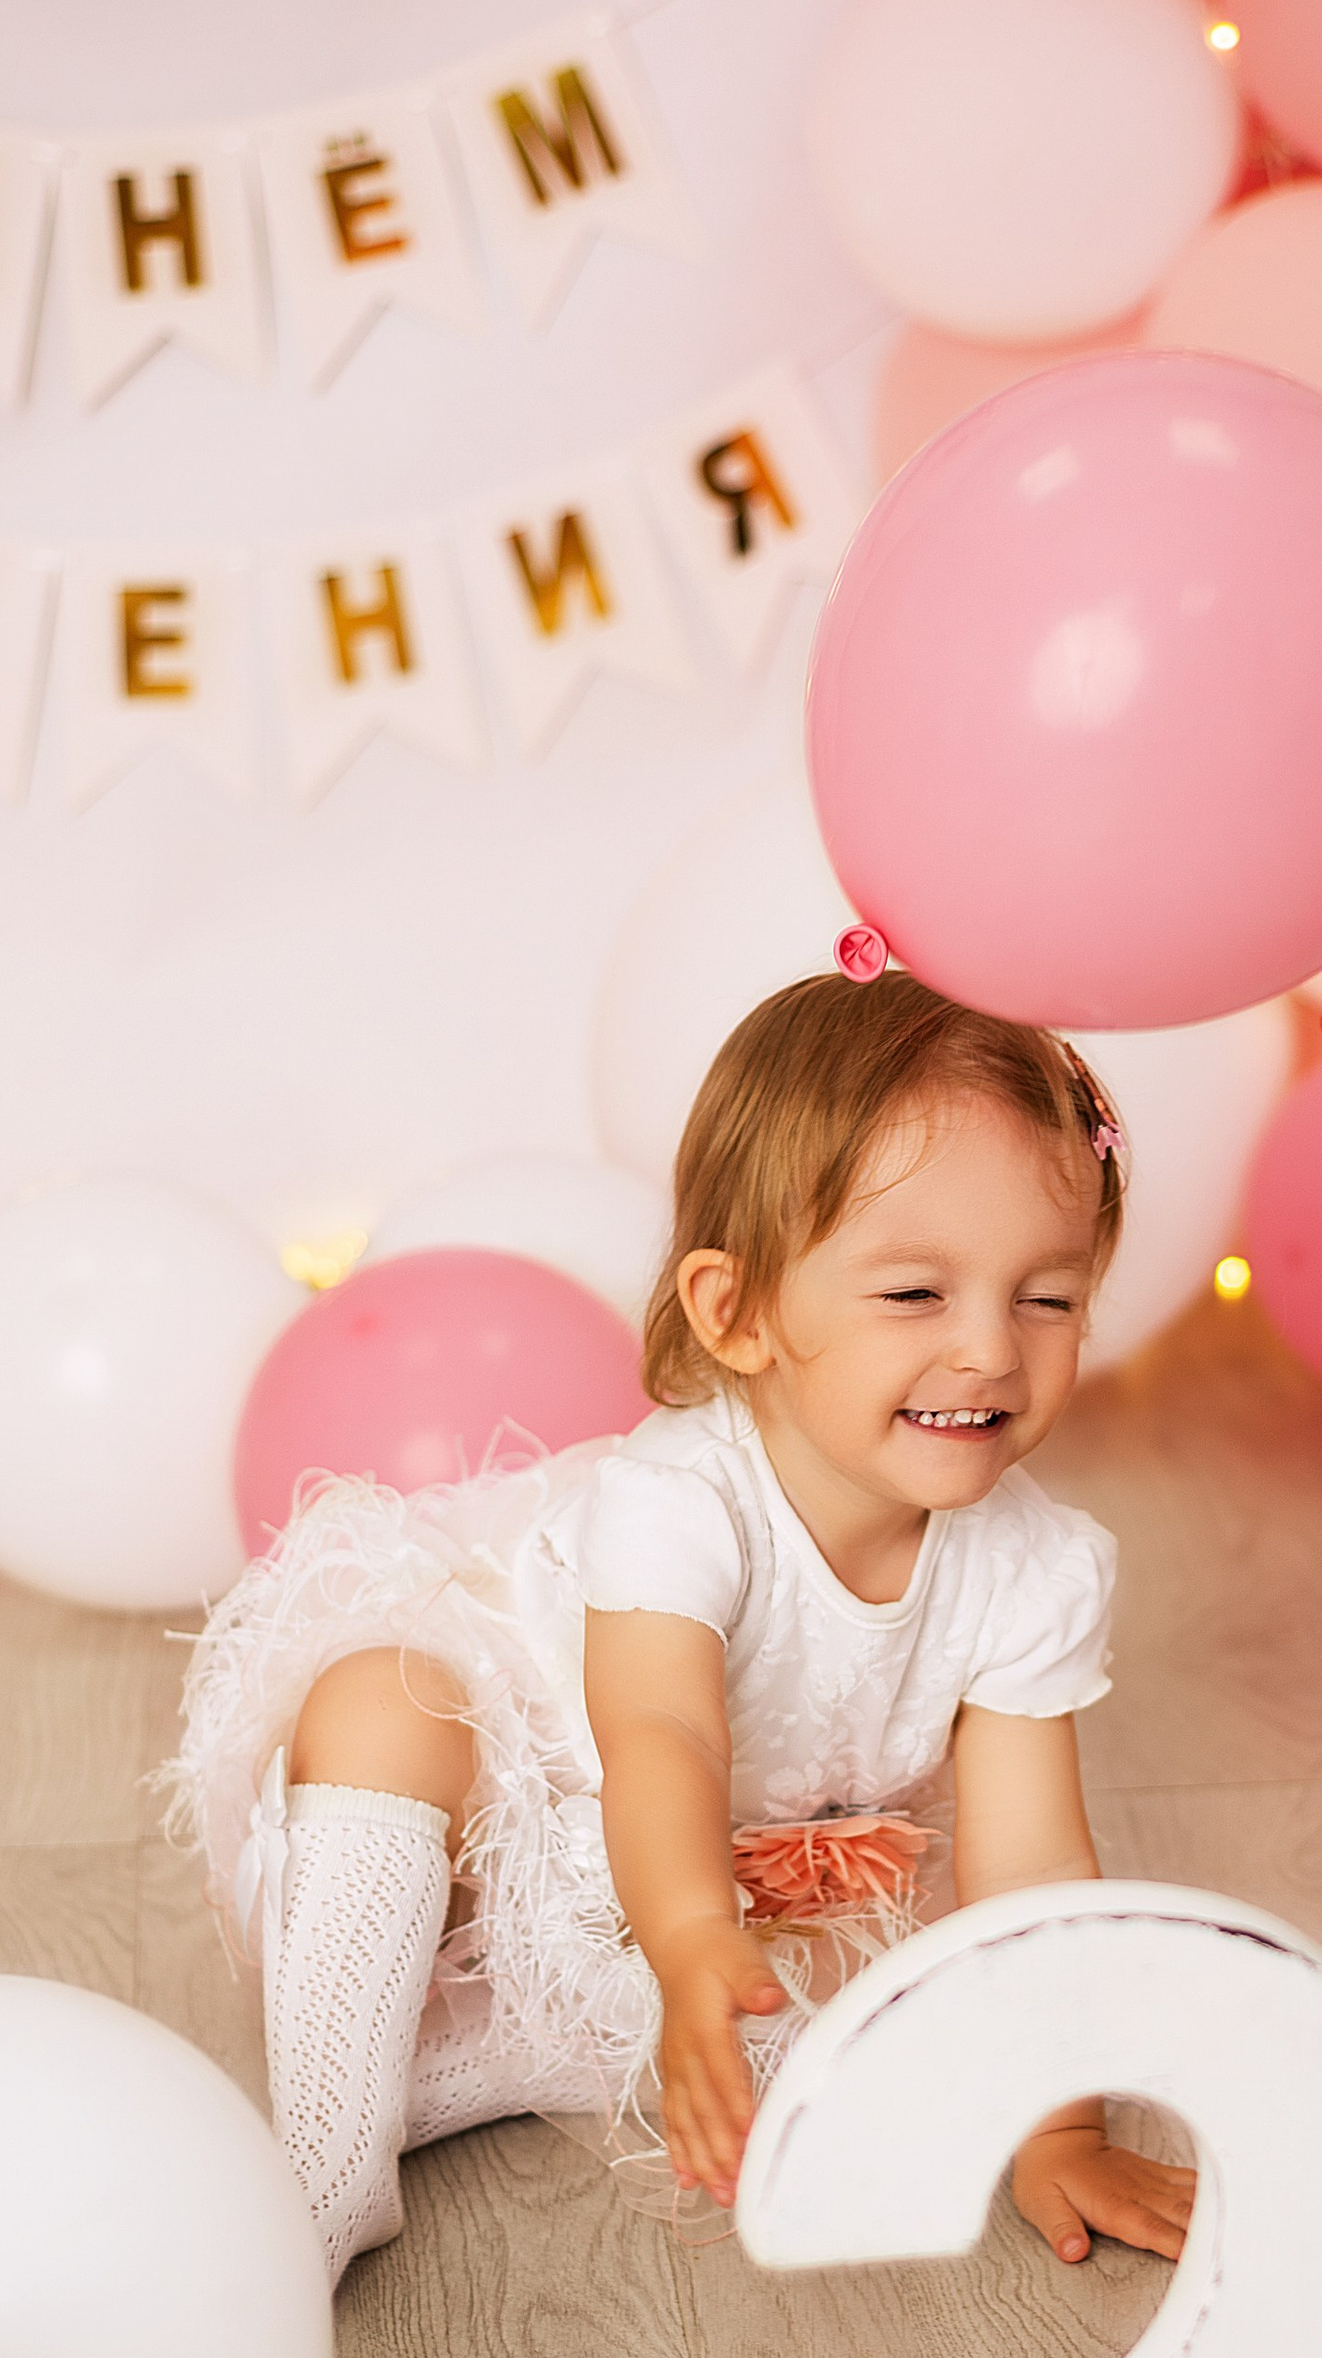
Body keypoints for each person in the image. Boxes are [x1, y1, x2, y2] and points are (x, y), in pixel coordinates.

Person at [165, 967, 1194, 2286]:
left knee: (869, 2014)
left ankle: (467, 2066)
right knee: (381, 1702)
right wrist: (693, 1930)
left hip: (716, 1870)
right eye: (914, 1295)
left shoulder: (1035, 1567)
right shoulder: (681, 1500)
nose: (993, 1350)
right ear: (738, 1313)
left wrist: (1062, 2128)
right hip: (533, 1796)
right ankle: (321, 2164)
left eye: (1047, 1297)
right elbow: (663, 1735)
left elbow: (1033, 1862)